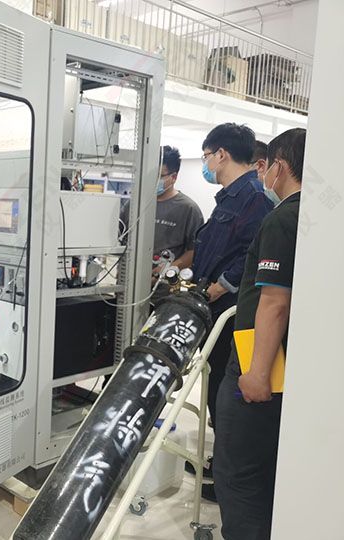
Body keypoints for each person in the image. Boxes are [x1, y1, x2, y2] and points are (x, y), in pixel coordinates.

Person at [214, 128, 306, 539]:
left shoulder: (283, 219)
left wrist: (256, 373)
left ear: (280, 167)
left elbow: (274, 302)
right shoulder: (315, 218)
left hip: (261, 363)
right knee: (266, 471)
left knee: (238, 474)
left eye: (268, 167)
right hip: (286, 361)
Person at [191, 123, 274, 499]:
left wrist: (221, 284)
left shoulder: (254, 198)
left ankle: (229, 478)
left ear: (221, 154)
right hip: (214, 311)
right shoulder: (228, 198)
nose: (206, 164)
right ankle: (220, 467)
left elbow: (254, 255)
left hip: (233, 315)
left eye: (206, 156)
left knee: (229, 400)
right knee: (216, 396)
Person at [149, 145, 204, 299]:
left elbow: (195, 251)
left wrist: (166, 270)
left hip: (165, 293)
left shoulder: (188, 209)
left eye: (159, 176)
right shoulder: (135, 205)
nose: (152, 180)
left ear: (173, 177)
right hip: (129, 287)